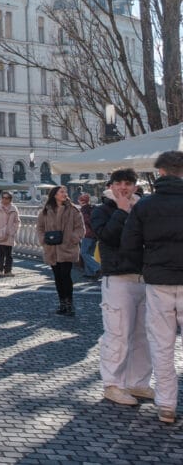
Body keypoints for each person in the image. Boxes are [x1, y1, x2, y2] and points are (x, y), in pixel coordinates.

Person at [121, 151, 183, 424]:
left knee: (162, 346)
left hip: (158, 282)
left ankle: (167, 405)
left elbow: (129, 246)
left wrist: (146, 267)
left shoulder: (145, 207)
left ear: (160, 173)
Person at [91, 168, 152, 408]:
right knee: (117, 334)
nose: (124, 188)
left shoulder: (144, 208)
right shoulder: (102, 210)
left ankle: (139, 382)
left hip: (145, 278)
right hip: (117, 278)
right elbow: (107, 236)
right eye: (120, 183)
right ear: (112, 186)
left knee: (143, 336)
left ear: (135, 186)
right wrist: (122, 211)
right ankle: (113, 385)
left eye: (129, 183)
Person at [37, 185, 85, 316]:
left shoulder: (73, 210)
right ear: (55, 195)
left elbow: (80, 228)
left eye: (65, 192)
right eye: (61, 192)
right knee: (57, 277)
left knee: (66, 275)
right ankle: (62, 303)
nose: (65, 194)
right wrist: (43, 239)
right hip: (51, 248)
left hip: (67, 248)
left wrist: (72, 238)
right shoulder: (45, 211)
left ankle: (69, 304)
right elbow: (40, 228)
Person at [0, 191, 21, 276]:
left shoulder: (14, 208)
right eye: (3, 198)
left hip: (10, 234)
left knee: (9, 254)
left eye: (7, 198)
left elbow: (17, 221)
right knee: (1, 253)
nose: (4, 199)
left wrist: (13, 230)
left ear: (10, 199)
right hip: (0, 233)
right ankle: (0, 270)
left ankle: (8, 271)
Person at [78, 193, 101, 279]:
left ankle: (97, 267)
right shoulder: (93, 209)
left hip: (87, 234)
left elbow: (85, 222)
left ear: (81, 201)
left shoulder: (84, 210)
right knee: (90, 253)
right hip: (95, 234)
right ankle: (90, 273)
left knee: (83, 253)